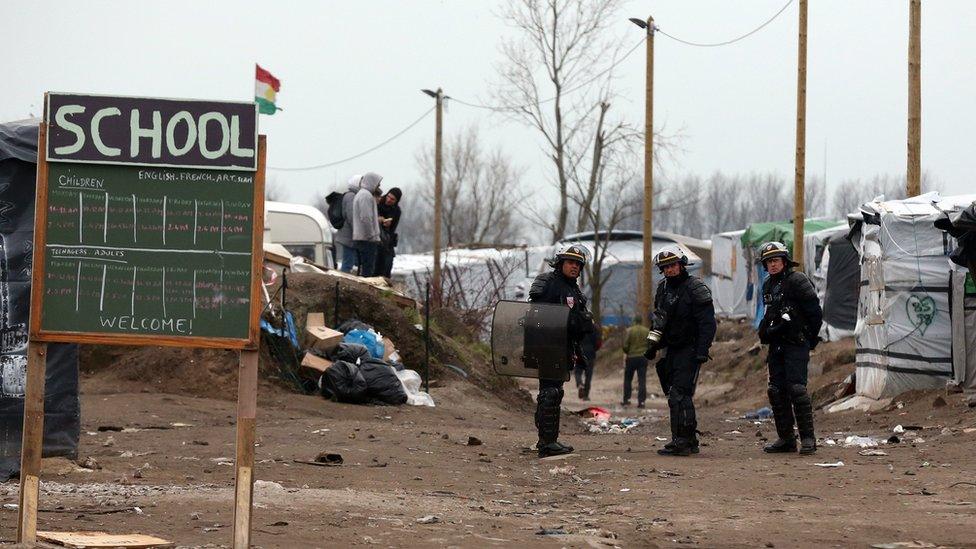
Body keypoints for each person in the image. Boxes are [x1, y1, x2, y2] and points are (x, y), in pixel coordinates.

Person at [645, 247, 716, 456]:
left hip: (690, 348)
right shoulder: (663, 289)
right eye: (665, 267)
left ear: (682, 265)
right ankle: (688, 440)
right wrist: (652, 345)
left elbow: (707, 323)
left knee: (679, 394)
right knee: (675, 394)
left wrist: (702, 350)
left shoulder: (695, 287)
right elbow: (659, 321)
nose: (670, 270)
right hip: (671, 349)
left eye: (673, 265)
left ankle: (682, 442)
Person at [756, 241, 824, 455]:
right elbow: (768, 313)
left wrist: (809, 338)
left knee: (797, 389)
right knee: (776, 391)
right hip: (777, 344)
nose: (772, 265)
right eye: (768, 262)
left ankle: (808, 439)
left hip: (796, 342)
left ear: (784, 261)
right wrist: (765, 331)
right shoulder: (768, 285)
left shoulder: (798, 280)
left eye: (775, 260)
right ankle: (786, 439)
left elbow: (815, 313)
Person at [529, 244, 595, 458]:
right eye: (570, 262)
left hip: (564, 347)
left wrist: (579, 346)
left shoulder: (574, 289)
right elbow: (537, 314)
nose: (574, 266)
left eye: (578, 264)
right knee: (550, 392)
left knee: (554, 393)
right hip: (547, 346)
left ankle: (548, 439)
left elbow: (575, 322)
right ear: (560, 263)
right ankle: (547, 443)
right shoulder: (547, 282)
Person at [350, 172, 383, 277]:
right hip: (366, 239)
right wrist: (372, 235)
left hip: (362, 238)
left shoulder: (362, 194)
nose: (378, 186)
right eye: (377, 183)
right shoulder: (366, 196)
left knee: (364, 268)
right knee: (368, 269)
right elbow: (366, 217)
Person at [334, 174, 361, 273]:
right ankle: (343, 280)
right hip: (348, 236)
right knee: (348, 262)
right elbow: (351, 216)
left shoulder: (350, 195)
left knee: (349, 261)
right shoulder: (351, 196)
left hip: (347, 235)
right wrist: (358, 231)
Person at [621, 316, 649, 408]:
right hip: (643, 358)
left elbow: (625, 345)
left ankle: (627, 400)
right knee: (642, 380)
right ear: (641, 321)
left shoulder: (630, 331)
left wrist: (627, 351)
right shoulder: (646, 331)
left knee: (628, 379)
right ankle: (641, 402)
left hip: (631, 358)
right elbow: (650, 344)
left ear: (634, 321)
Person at [374, 187, 402, 278]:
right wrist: (378, 220)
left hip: (387, 240)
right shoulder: (378, 202)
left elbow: (393, 228)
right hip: (375, 238)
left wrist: (388, 225)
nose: (389, 200)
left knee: (387, 265)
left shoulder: (396, 211)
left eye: (392, 199)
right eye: (388, 197)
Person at [575, 327, 601, 400]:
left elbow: (574, 340)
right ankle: (586, 395)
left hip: (579, 353)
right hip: (590, 355)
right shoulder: (594, 328)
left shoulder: (578, 326)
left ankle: (580, 384)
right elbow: (598, 343)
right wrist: (593, 349)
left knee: (578, 371)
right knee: (588, 375)